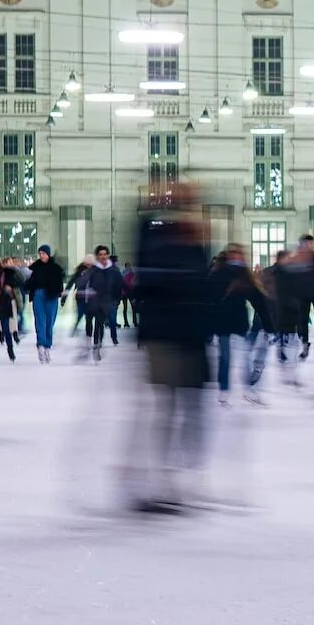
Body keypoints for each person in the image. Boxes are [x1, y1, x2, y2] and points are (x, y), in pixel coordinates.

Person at [130, 189, 213, 510]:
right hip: (165, 339)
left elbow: (202, 292)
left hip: (189, 340)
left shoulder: (196, 248)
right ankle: (161, 480)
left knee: (188, 413)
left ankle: (175, 477)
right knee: (168, 411)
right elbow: (146, 267)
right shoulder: (159, 240)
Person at [207, 243, 271, 405]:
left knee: (245, 358)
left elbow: (258, 300)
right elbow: (210, 297)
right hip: (222, 321)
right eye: (233, 252)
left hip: (238, 321)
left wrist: (268, 324)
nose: (236, 256)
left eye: (238, 253)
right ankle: (224, 389)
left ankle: (247, 389)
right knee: (225, 357)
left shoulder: (244, 274)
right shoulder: (220, 272)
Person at [81, 245, 127, 359]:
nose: (103, 257)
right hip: (94, 301)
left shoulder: (113, 270)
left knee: (100, 324)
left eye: (105, 254)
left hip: (107, 301)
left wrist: (118, 298)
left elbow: (120, 284)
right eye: (100, 255)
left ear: (107, 255)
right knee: (98, 323)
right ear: (97, 256)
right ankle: (96, 345)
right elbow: (83, 282)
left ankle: (98, 343)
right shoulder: (93, 270)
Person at [27, 244, 66, 361]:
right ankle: (41, 345)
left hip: (52, 296)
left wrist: (59, 293)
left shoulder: (56, 268)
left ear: (48, 254)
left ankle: (47, 346)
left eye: (43, 253)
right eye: (40, 253)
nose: (41, 255)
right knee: (40, 320)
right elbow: (30, 281)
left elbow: (60, 283)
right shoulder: (35, 267)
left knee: (50, 321)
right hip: (39, 295)